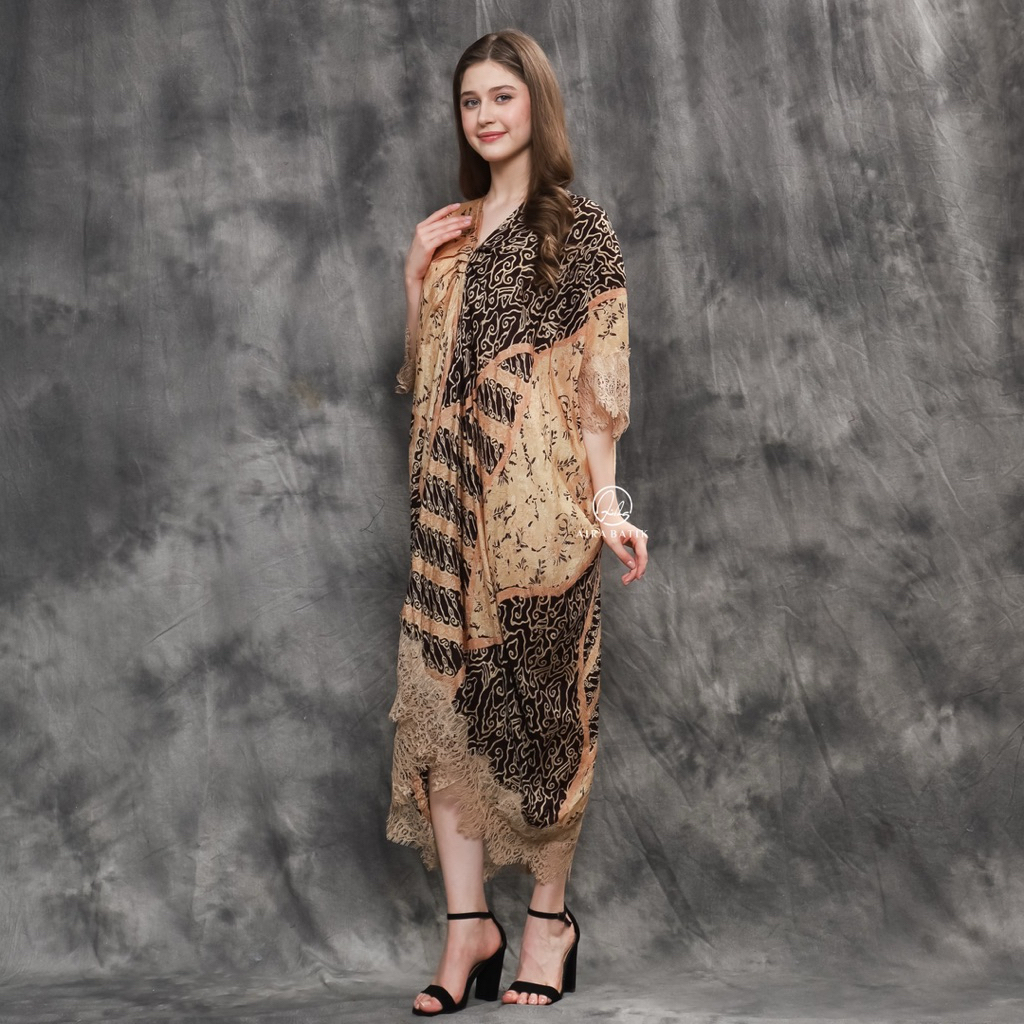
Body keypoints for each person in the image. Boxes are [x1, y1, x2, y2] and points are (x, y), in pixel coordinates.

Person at [387, 28, 648, 1016]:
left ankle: (546, 921)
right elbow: (422, 377)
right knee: (441, 709)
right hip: (446, 513)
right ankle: (468, 929)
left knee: (547, 722)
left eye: (502, 95)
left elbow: (597, 389)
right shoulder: (450, 231)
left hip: (541, 520)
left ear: (536, 102)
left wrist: (608, 507)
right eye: (470, 100)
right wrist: (415, 279)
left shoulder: (579, 230)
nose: (485, 115)